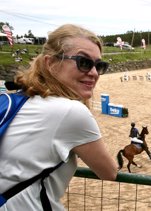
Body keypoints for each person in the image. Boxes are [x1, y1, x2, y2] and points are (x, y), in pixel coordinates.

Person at [0, 24, 118, 211]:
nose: (94, 73)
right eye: (84, 62)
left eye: (100, 66)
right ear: (50, 63)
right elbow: (109, 172)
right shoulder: (71, 111)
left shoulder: (22, 100)